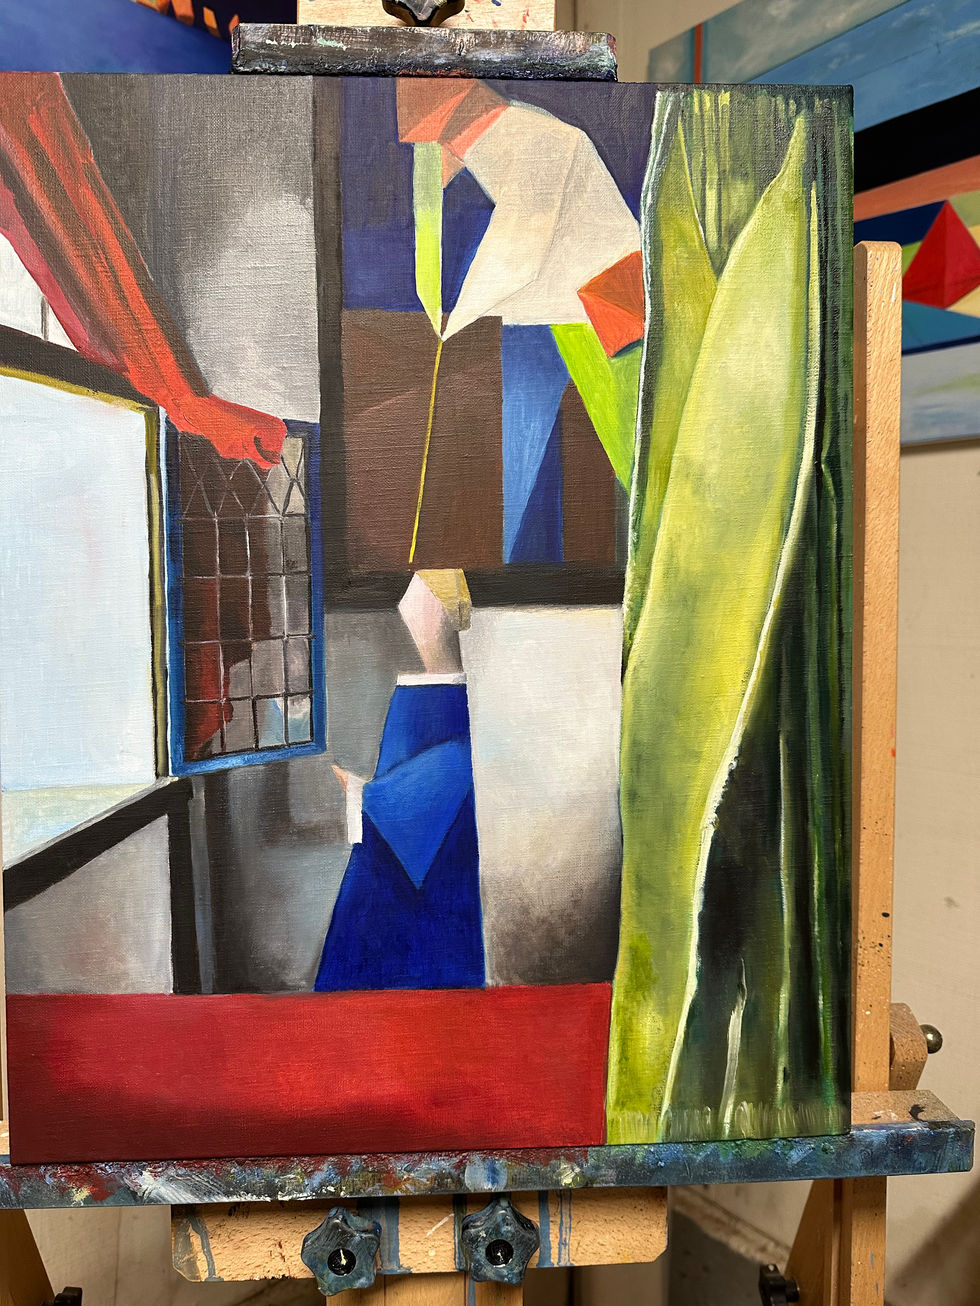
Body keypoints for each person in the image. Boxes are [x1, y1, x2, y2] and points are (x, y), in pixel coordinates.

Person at [314, 569, 485, 991]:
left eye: (423, 608)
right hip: (398, 832)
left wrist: (367, 794)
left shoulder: (459, 697)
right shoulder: (420, 691)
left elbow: (461, 761)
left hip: (425, 852)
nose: (411, 616)